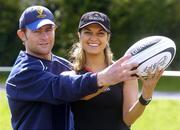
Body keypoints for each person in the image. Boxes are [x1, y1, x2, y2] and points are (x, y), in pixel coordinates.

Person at [5, 6, 139, 130]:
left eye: (48, 30)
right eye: (37, 31)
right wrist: (104, 77)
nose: (44, 37)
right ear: (22, 35)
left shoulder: (64, 65)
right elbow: (60, 87)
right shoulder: (22, 73)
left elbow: (83, 95)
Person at [69, 11, 163, 130]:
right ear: (79, 35)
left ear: (108, 37)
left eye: (100, 33)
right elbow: (81, 95)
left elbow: (128, 119)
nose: (94, 38)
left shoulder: (125, 71)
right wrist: (110, 78)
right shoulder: (71, 73)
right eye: (88, 32)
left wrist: (147, 93)